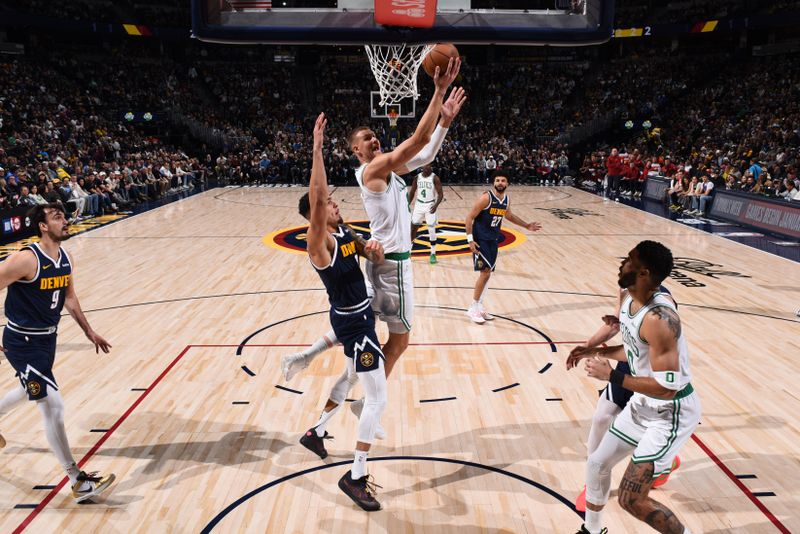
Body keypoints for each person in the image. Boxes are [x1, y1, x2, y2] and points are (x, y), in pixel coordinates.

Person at [282, 59, 466, 431]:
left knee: (362, 338)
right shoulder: (372, 170)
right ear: (356, 151)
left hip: (383, 263)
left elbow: (425, 155)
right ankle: (369, 399)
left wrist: (444, 122)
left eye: (373, 135)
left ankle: (327, 396)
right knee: (400, 341)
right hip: (394, 268)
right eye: (365, 138)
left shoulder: (386, 169)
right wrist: (438, 91)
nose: (373, 139)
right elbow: (416, 141)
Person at [567, 241, 700, 534]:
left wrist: (613, 376)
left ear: (644, 273)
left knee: (631, 499)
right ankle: (593, 530)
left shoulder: (661, 319)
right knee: (598, 463)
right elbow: (632, 350)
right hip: (643, 403)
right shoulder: (629, 298)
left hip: (670, 413)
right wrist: (592, 351)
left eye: (629, 260)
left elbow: (669, 388)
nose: (622, 264)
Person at [297, 113, 387, 511]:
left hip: (361, 316)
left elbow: (363, 246)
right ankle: (356, 476)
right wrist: (317, 149)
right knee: (377, 399)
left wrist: (373, 248)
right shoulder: (319, 243)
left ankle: (315, 432)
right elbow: (317, 198)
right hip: (354, 324)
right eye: (330, 203)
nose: (335, 204)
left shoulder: (344, 232)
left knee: (351, 379)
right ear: (317, 214)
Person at [0, 203, 115, 503]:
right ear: (42, 225)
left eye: (64, 216)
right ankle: (77, 480)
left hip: (46, 342)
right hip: (22, 342)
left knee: (31, 391)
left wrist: (89, 331)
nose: (65, 221)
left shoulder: (66, 257)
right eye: (57, 217)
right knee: (52, 405)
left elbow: (70, 297)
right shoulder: (25, 259)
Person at [569, 285, 681, 512]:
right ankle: (591, 483)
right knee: (602, 418)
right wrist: (587, 347)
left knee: (643, 429)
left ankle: (665, 463)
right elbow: (615, 326)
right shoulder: (625, 289)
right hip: (628, 364)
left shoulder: (663, 305)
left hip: (652, 374)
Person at [465, 171, 542, 323]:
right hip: (481, 240)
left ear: (507, 184)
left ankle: (479, 306)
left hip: (493, 240)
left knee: (488, 274)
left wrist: (526, 225)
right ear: (494, 183)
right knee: (484, 273)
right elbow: (469, 217)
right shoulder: (486, 198)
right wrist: (470, 240)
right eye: (498, 180)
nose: (500, 183)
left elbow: (509, 216)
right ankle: (473, 307)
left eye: (503, 180)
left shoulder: (506, 200)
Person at [407, 164, 444, 264]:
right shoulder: (417, 178)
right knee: (413, 227)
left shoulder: (435, 178)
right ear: (422, 167)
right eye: (426, 167)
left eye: (429, 167)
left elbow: (440, 194)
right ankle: (409, 252)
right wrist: (407, 204)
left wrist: (436, 205)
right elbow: (412, 192)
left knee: (431, 229)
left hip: (430, 205)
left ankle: (433, 253)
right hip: (419, 204)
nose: (428, 169)